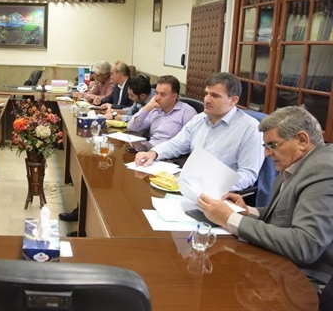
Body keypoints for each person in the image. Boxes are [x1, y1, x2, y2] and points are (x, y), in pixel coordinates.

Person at [198, 107, 333, 290]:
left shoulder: (324, 170)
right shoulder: (297, 162)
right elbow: (285, 215)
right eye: (265, 146)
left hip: (305, 281)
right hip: (279, 264)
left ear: (302, 140)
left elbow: (305, 245)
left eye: (273, 145)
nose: (267, 154)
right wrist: (247, 212)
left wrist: (230, 218)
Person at [135, 72, 263, 191]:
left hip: (218, 194)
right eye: (206, 94)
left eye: (215, 96)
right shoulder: (199, 119)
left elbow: (248, 175)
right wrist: (153, 153)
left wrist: (214, 185)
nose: (207, 100)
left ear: (233, 100)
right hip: (188, 185)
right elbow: (176, 144)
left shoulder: (250, 128)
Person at [125, 75, 196, 146]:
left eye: (162, 94)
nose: (157, 98)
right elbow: (132, 127)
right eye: (156, 93)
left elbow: (189, 142)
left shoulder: (187, 112)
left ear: (174, 96)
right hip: (149, 148)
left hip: (171, 151)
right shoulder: (155, 109)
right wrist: (148, 107)